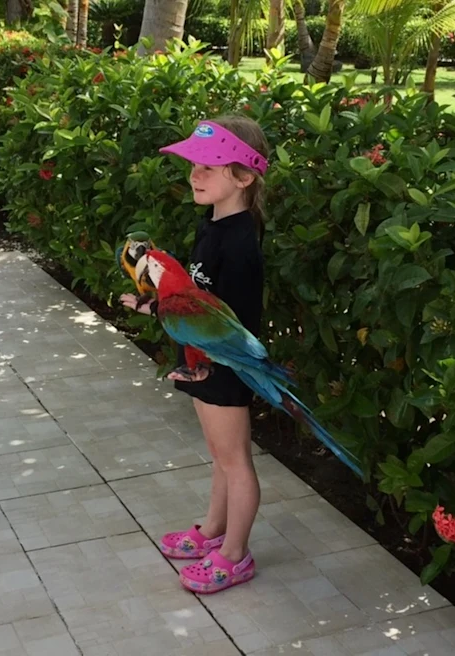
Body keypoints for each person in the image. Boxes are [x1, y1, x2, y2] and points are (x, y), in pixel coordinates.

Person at [121, 115, 269, 594]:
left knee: (235, 460)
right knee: (219, 455)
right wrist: (155, 305)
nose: (194, 175)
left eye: (208, 166)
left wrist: (205, 367)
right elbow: (198, 300)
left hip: (225, 367)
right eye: (192, 164)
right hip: (202, 362)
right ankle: (212, 530)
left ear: (244, 177)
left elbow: (232, 325)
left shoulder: (241, 240)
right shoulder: (213, 223)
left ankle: (235, 554)